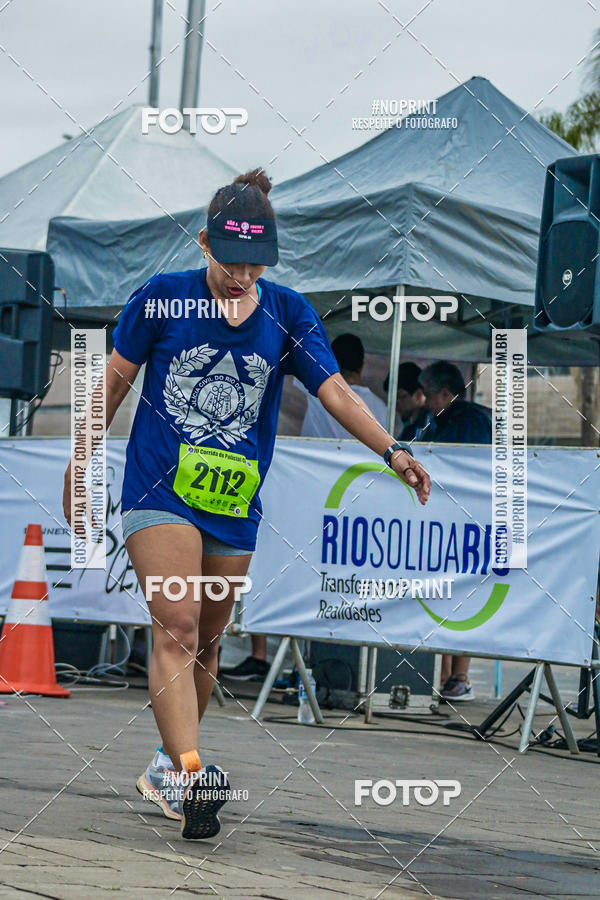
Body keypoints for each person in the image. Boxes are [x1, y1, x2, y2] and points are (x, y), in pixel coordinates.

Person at [62, 169, 431, 840]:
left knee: (207, 639)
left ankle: (168, 765)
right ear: (204, 242)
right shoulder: (163, 299)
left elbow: (337, 394)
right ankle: (195, 770)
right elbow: (111, 382)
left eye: (256, 264)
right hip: (160, 488)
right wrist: (79, 460)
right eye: (231, 262)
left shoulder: (287, 312)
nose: (242, 276)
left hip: (233, 502)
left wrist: (392, 450)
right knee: (176, 623)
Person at [220, 333, 388, 682]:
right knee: (333, 584)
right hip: (357, 509)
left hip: (309, 500)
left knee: (275, 568)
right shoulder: (381, 408)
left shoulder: (320, 390)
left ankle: (267, 655)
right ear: (364, 365)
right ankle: (313, 665)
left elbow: (291, 368)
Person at [419, 360, 491, 702]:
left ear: (446, 393)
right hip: (457, 522)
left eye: (430, 395)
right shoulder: (459, 418)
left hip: (465, 523)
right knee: (447, 594)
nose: (427, 402)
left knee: (459, 595)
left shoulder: (465, 421)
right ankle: (447, 676)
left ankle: (458, 676)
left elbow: (454, 470)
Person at [383, 362, 434, 442]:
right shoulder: (410, 427)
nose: (396, 404)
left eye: (400, 397)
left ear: (418, 395)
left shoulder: (427, 426)